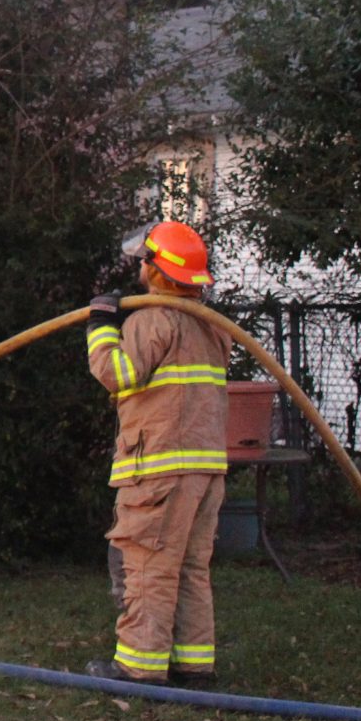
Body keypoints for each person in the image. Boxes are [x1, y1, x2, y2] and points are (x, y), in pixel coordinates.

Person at [83, 219, 230, 685]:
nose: (141, 268)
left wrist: (101, 326)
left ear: (161, 273)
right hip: (204, 470)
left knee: (146, 565)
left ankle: (139, 668)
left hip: (160, 471)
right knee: (189, 569)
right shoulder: (213, 328)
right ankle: (193, 664)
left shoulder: (152, 319)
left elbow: (117, 373)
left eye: (147, 261)